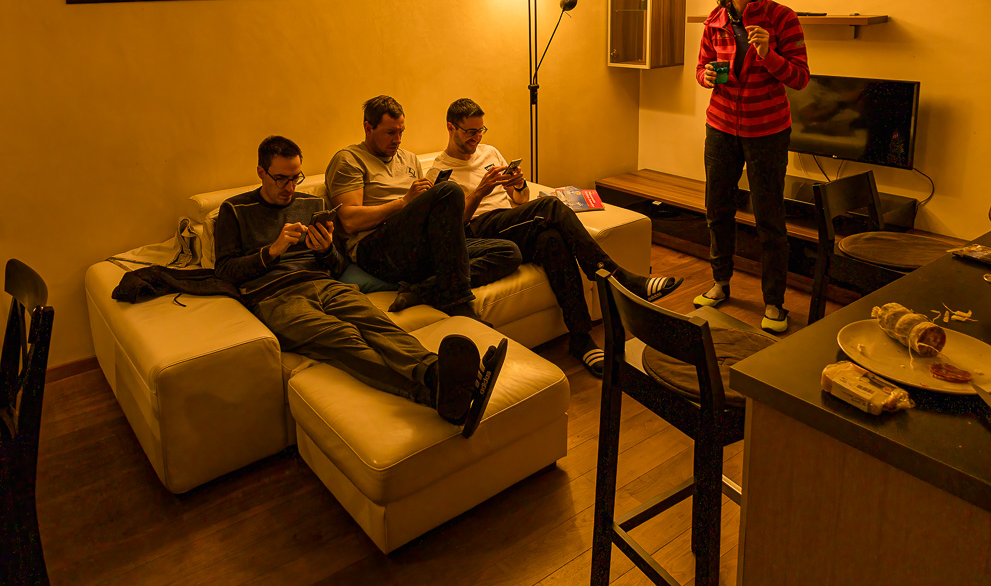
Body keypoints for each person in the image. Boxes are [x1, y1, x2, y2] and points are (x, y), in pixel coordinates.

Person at [215, 135, 506, 438]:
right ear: (261, 172)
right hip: (275, 296)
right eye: (280, 179)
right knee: (344, 337)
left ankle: (437, 373)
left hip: (323, 283)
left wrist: (325, 249)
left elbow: (337, 265)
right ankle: (433, 390)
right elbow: (224, 271)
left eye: (295, 178)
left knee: (377, 323)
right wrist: (271, 251)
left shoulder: (311, 204)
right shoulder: (235, 210)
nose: (289, 187)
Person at [429, 98, 683, 377]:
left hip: (511, 224)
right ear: (451, 128)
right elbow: (451, 227)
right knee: (550, 205)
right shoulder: (439, 172)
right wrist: (480, 191)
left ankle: (580, 337)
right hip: (479, 233)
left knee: (552, 240)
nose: (477, 138)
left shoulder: (490, 152)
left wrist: (518, 184)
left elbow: (520, 199)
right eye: (470, 132)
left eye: (481, 130)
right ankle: (619, 278)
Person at [694, 0, 809, 334]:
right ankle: (720, 282)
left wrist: (768, 52)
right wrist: (706, 76)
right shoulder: (714, 21)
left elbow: (800, 78)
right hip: (721, 127)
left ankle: (774, 302)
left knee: (769, 218)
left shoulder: (782, 18)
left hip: (768, 132)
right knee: (717, 209)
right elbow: (702, 68)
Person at [326, 95, 522, 317]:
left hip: (416, 247)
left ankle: (421, 291)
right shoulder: (349, 160)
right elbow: (350, 221)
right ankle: (457, 300)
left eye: (401, 132)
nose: (398, 140)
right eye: (390, 133)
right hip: (374, 250)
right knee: (451, 189)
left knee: (508, 252)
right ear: (368, 128)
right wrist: (403, 202)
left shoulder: (409, 159)